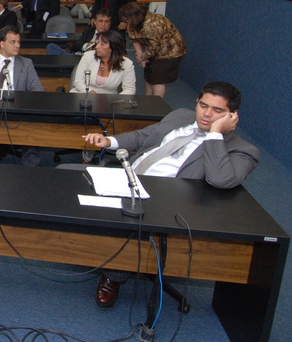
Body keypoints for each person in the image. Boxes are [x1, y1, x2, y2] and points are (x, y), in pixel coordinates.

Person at [82, 81, 259, 307]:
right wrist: (110, 141)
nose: (207, 114)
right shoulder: (181, 116)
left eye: (217, 111)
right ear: (196, 102)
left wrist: (215, 135)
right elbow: (145, 135)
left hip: (166, 202)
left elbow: (221, 180)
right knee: (71, 180)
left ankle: (114, 275)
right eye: (203, 105)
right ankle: (83, 250)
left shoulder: (243, 150)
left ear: (232, 115)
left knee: (124, 221)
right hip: (129, 178)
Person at [0, 26, 44, 164]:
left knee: (32, 122)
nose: (17, 45)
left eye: (19, 42)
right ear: (2, 44)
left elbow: (37, 89)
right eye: (13, 42)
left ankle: (32, 167)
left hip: (16, 107)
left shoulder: (26, 63)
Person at [120, 2, 186, 98]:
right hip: (152, 49)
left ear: (133, 17)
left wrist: (143, 57)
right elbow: (133, 38)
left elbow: (153, 48)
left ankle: (156, 103)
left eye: (126, 19)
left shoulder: (152, 23)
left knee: (157, 79)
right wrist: (139, 54)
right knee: (149, 77)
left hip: (170, 51)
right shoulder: (133, 22)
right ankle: (147, 101)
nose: (125, 22)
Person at [69, 31, 135, 94]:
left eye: (102, 44)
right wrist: (90, 92)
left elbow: (129, 89)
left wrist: (116, 100)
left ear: (113, 47)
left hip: (110, 100)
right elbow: (78, 82)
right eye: (98, 43)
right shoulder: (88, 56)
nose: (97, 46)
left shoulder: (127, 64)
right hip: (83, 95)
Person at [47, 9, 112, 56]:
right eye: (100, 21)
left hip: (93, 61)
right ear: (95, 22)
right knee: (51, 46)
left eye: (106, 21)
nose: (103, 24)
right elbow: (76, 45)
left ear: (110, 23)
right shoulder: (89, 31)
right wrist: (86, 45)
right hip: (79, 57)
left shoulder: (113, 36)